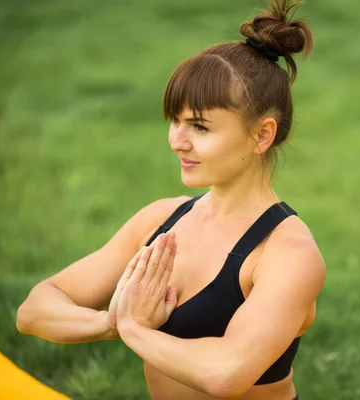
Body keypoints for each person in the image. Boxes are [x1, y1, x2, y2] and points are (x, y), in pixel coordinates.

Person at [16, 0, 326, 399]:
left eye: (199, 126)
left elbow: (226, 373)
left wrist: (132, 328)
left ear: (261, 135)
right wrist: (110, 322)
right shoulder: (163, 219)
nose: (177, 141)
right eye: (175, 121)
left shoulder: (288, 253)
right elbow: (34, 310)